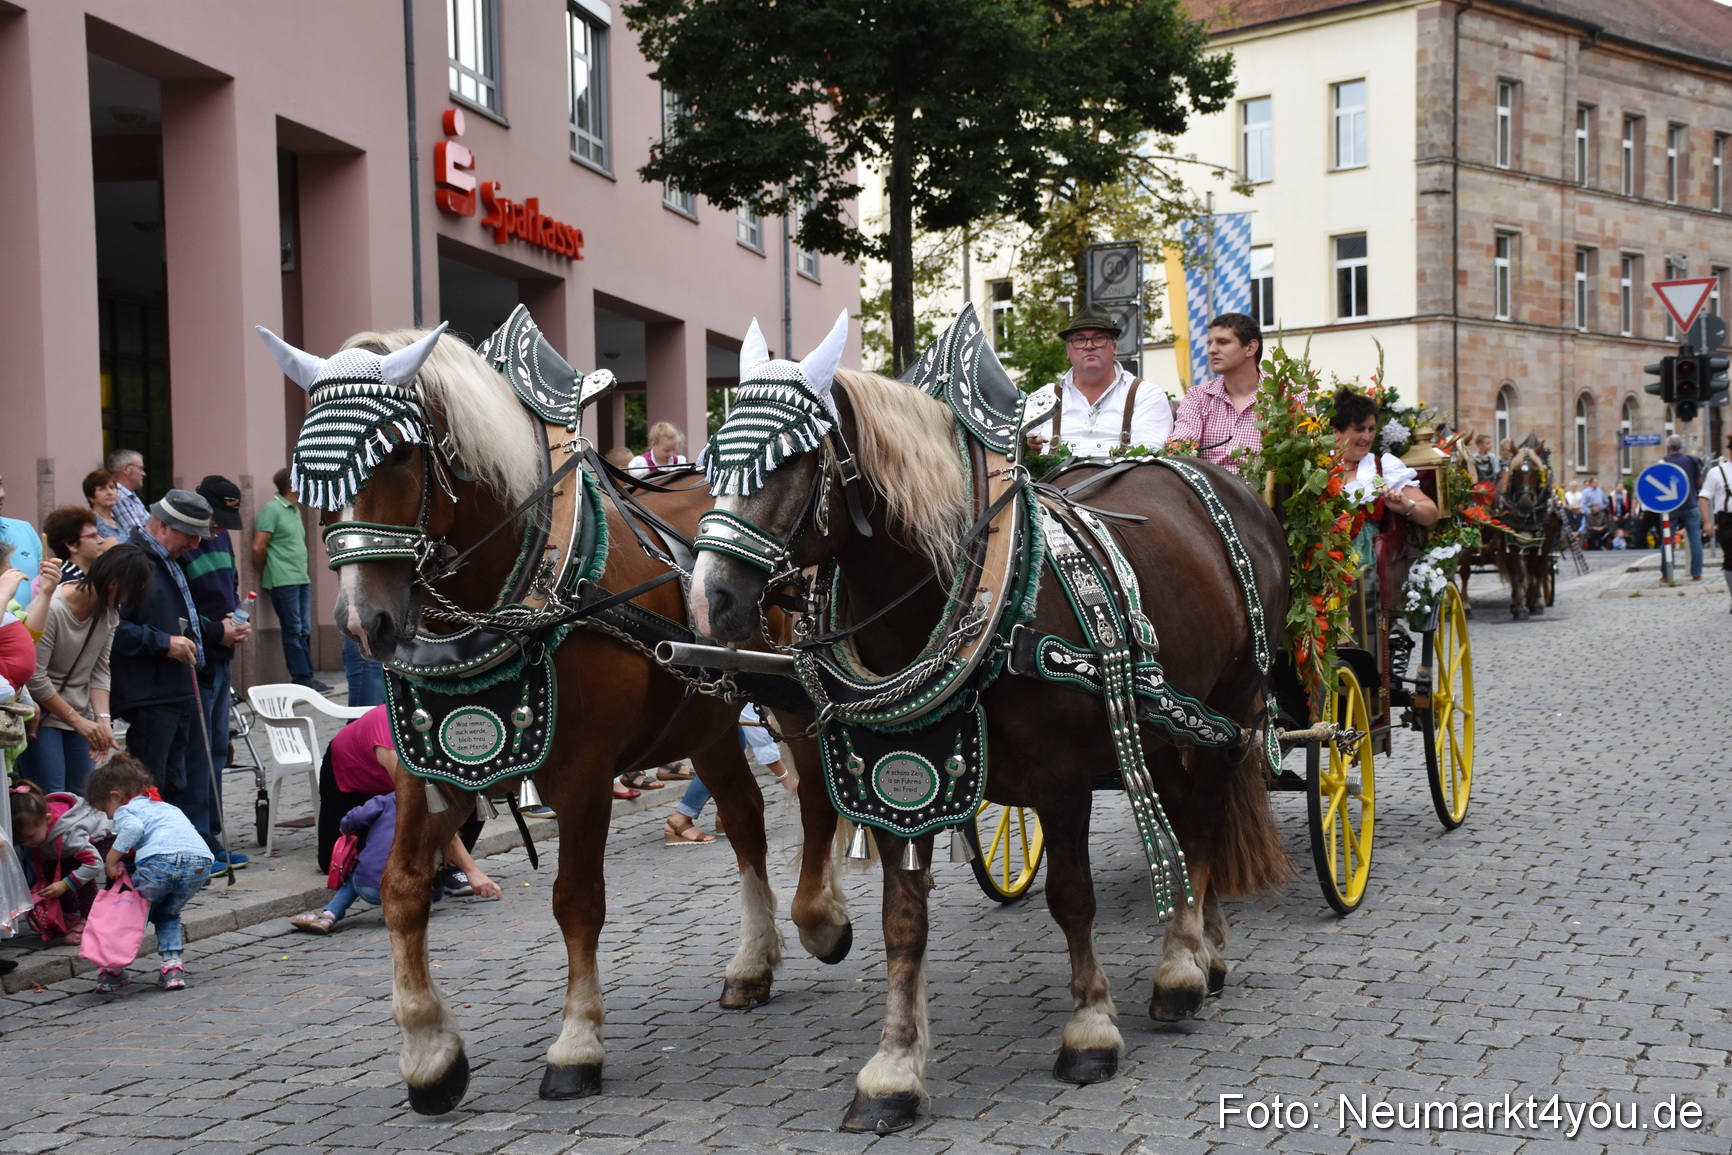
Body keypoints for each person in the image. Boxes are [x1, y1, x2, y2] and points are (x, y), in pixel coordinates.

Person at [112, 489, 234, 869]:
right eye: (191, 535)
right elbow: (112, 630)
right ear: (164, 527)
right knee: (151, 786)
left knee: (176, 784)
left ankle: (173, 861)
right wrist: (164, 642)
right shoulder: (132, 560)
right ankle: (143, 866)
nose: (196, 544)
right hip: (151, 693)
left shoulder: (168, 559)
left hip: (179, 687)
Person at [314, 704, 494, 897]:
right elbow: (427, 812)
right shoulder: (390, 744)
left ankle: (449, 867)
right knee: (332, 861)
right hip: (354, 785)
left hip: (405, 778)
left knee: (474, 792)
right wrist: (472, 870)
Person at [16, 546, 150, 795]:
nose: (126, 601)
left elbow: (99, 669)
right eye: (129, 593)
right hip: (43, 715)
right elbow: (35, 677)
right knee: (54, 796)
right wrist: (78, 722)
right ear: (114, 584)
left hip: (79, 714)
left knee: (85, 795)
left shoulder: (109, 610)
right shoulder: (53, 608)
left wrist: (102, 721)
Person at [288, 789, 502, 935]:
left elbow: (352, 819)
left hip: (373, 888)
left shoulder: (385, 801)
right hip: (423, 893)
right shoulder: (439, 812)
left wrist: (345, 828)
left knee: (358, 874)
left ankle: (329, 914)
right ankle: (413, 910)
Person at [86, 753, 213, 992]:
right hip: (200, 864)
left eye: (105, 810)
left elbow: (133, 829)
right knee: (167, 913)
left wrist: (111, 861)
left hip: (160, 862)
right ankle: (172, 968)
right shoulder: (165, 806)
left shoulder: (126, 810)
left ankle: (112, 970)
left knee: (131, 912)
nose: (109, 817)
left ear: (115, 796)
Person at [183, 476, 253, 851]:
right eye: (214, 521)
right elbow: (180, 607)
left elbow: (231, 583)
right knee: (199, 750)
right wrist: (216, 630)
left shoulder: (221, 536)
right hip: (199, 657)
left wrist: (235, 619)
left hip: (223, 654)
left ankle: (213, 831)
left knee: (217, 749)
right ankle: (199, 837)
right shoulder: (186, 542)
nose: (218, 529)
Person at [1332, 387, 1439, 604]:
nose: (1367, 436)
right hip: (1324, 550)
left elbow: (1431, 513)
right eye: (1360, 429)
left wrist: (1407, 506)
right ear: (1337, 432)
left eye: (1371, 429)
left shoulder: (1383, 467)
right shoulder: (1318, 466)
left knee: (1355, 567)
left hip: (1365, 554)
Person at [1025, 307, 1173, 460]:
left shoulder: (1145, 394)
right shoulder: (1045, 397)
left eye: (1099, 338)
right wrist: (1027, 446)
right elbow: (1016, 449)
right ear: (1068, 352)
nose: (1089, 345)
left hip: (1122, 476)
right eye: (1080, 339)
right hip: (1050, 476)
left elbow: (1146, 457)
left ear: (1114, 348)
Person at [10, 779, 112, 945]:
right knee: (52, 870)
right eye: (22, 842)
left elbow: (94, 864)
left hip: (105, 838)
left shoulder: (69, 836)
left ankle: (89, 919)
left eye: (30, 838)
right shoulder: (37, 827)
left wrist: (65, 884)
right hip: (70, 847)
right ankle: (71, 914)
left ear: (47, 819)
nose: (27, 844)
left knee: (77, 871)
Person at [253, 467, 327, 692]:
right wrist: (267, 570)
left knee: (303, 629)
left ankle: (308, 677)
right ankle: (302, 679)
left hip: (300, 577)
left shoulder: (294, 509)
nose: (308, 485)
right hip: (283, 579)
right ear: (292, 485)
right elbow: (258, 547)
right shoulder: (272, 510)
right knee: (293, 630)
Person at [1168, 313, 1266, 475]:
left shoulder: (1286, 393)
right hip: (1210, 489)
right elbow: (1180, 448)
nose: (1211, 350)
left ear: (1250, 348)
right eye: (1210, 343)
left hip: (1270, 490)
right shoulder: (1198, 396)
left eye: (1223, 342)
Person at [1662, 435, 1705, 581]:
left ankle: (1667, 573)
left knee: (1667, 539)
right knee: (1695, 539)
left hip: (1671, 506)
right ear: (1681, 446)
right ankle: (1697, 572)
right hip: (1690, 504)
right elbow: (1699, 481)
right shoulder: (1691, 460)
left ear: (1668, 447)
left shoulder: (1664, 462)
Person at [0, 469, 43, 611]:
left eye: (0, 484)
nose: (1, 494)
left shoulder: (25, 529)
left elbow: (42, 588)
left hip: (32, 624)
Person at [41, 506, 112, 587]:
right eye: (93, 536)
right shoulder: (68, 581)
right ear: (72, 545)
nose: (101, 540)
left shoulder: (94, 573)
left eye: (98, 534)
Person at [1700, 434, 1732, 609]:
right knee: (1730, 560)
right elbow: (1703, 499)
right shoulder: (1717, 472)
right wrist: (1707, 523)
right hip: (1727, 520)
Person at [107, 449, 151, 536]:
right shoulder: (119, 497)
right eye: (140, 468)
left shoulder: (130, 495)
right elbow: (139, 536)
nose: (144, 474)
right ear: (126, 469)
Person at [84, 469, 126, 541]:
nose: (110, 492)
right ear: (91, 498)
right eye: (102, 489)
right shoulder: (90, 522)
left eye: (112, 487)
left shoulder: (117, 519)